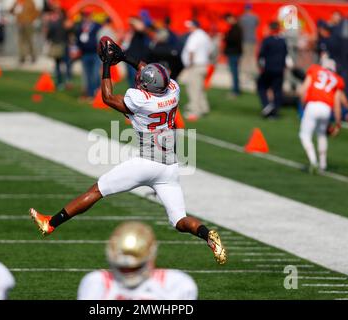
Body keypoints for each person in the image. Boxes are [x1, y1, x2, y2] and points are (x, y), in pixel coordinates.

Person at [30, 37, 227, 265]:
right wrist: (124, 56)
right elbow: (149, 72)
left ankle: (50, 223)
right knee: (179, 219)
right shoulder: (173, 90)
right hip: (170, 167)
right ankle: (206, 234)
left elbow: (107, 96)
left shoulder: (140, 100)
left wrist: (106, 64)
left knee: (97, 190)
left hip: (145, 163)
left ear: (147, 86)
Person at [77, 221, 198, 300]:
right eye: (122, 268)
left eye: (136, 267)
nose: (129, 272)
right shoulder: (96, 283)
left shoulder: (175, 284)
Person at [298, 57, 345, 172]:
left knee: (304, 135)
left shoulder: (315, 70)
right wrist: (338, 123)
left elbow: (302, 90)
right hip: (326, 108)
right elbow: (337, 104)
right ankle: (323, 164)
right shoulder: (337, 79)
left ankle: (314, 162)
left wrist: (303, 105)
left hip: (313, 104)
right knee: (321, 134)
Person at [180, 19, 212, 121]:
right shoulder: (205, 35)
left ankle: (195, 111)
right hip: (203, 65)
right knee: (199, 88)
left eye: (190, 26)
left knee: (193, 89)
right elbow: (210, 50)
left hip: (195, 65)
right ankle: (203, 107)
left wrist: (189, 63)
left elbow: (191, 51)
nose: (189, 28)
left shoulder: (195, 36)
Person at [257, 21, 288, 119]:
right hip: (279, 69)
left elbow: (261, 55)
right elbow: (285, 55)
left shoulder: (267, 40)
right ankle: (275, 111)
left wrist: (260, 67)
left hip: (268, 68)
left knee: (261, 86)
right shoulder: (282, 41)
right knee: (277, 90)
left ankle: (266, 105)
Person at [76, 8, 101, 99]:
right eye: (84, 16)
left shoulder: (97, 26)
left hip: (95, 54)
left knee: (95, 75)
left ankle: (97, 93)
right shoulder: (80, 27)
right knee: (87, 75)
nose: (86, 18)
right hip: (85, 54)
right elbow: (78, 40)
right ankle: (90, 94)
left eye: (88, 15)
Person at [224, 13, 243, 97]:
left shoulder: (236, 28)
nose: (227, 21)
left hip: (234, 53)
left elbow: (233, 40)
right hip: (234, 52)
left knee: (234, 72)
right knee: (234, 72)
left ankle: (235, 91)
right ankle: (235, 89)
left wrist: (225, 37)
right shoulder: (234, 28)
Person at [239, 3, 259, 85]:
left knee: (245, 58)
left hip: (245, 40)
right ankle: (253, 74)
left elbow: (240, 28)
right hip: (252, 40)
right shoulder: (255, 17)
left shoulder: (242, 18)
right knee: (252, 57)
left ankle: (246, 76)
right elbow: (256, 25)